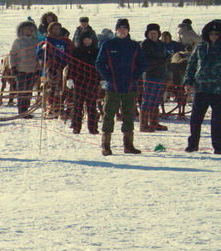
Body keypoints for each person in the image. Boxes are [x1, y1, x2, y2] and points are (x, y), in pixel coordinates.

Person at [95, 18, 146, 156]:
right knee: (108, 115)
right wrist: (108, 77)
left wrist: (134, 77)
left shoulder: (134, 46)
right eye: (120, 28)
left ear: (128, 30)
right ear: (116, 30)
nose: (122, 31)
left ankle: (128, 145)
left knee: (129, 115)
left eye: (125, 28)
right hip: (113, 87)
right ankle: (105, 145)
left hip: (130, 87)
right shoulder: (108, 44)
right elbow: (99, 63)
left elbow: (142, 64)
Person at [183, 19, 221, 153]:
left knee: (217, 121)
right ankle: (193, 145)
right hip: (201, 89)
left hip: (218, 90)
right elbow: (191, 65)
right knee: (195, 119)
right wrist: (188, 82)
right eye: (212, 34)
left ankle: (218, 147)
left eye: (217, 34)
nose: (214, 36)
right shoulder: (200, 47)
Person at [67, 32, 101, 135]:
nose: (87, 41)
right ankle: (76, 127)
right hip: (79, 81)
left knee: (92, 105)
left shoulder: (97, 51)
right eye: (85, 39)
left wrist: (102, 79)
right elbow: (71, 65)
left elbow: (100, 66)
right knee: (78, 105)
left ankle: (93, 128)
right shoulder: (76, 51)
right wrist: (69, 78)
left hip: (92, 82)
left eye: (89, 39)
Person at [139, 23, 170, 132]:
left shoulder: (161, 44)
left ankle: (154, 122)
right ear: (147, 34)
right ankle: (143, 124)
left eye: (155, 33)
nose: (153, 35)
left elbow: (164, 57)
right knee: (148, 99)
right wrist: (161, 61)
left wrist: (167, 58)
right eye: (151, 33)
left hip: (161, 75)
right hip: (150, 76)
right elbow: (146, 61)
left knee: (157, 100)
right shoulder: (145, 44)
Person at [9, 20, 41, 115]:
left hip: (32, 70)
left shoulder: (36, 41)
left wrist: (39, 68)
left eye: (30, 29)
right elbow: (13, 54)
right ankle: (21, 110)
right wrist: (13, 67)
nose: (29, 30)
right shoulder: (18, 41)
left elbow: (39, 56)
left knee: (29, 91)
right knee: (21, 91)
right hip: (21, 69)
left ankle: (26, 109)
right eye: (26, 29)